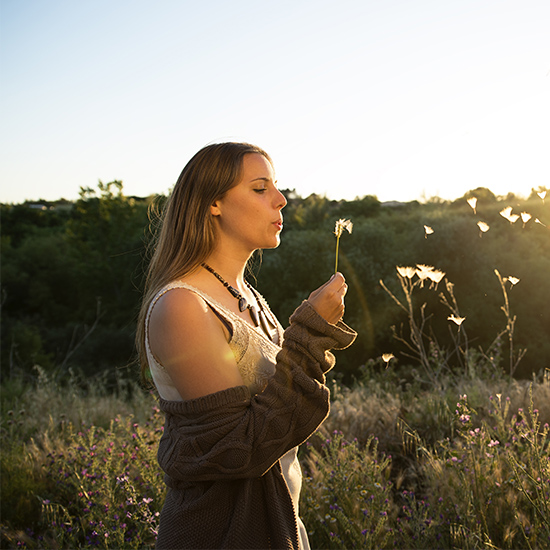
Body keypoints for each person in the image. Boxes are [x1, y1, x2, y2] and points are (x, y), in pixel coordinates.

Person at [136, 142, 356, 549]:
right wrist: (310, 333)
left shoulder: (250, 297)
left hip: (277, 525)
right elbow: (241, 447)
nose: (281, 199)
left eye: (276, 186)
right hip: (221, 533)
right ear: (213, 203)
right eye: (260, 188)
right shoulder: (184, 306)